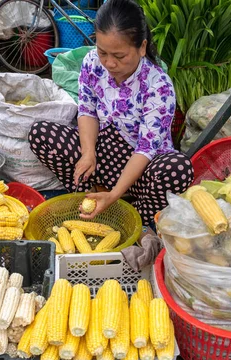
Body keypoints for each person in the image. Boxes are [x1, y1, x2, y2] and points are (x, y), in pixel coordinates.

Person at [28, 0, 193, 225]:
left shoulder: (158, 85)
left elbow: (146, 148)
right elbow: (87, 111)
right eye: (102, 52)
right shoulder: (92, 63)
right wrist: (88, 153)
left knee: (178, 168)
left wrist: (116, 193)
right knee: (40, 133)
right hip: (102, 156)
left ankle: (133, 215)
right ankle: (91, 197)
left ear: (142, 47)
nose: (109, 63)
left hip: (142, 168)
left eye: (119, 56)